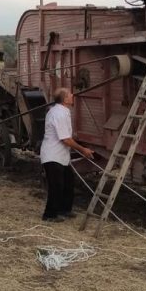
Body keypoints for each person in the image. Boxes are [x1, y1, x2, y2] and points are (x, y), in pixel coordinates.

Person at [40, 87, 94, 222]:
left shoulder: (62, 111)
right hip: (53, 155)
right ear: (65, 99)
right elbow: (65, 139)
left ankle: (64, 210)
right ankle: (49, 215)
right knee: (56, 186)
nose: (72, 95)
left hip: (60, 156)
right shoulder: (59, 113)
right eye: (70, 94)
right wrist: (83, 150)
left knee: (68, 182)